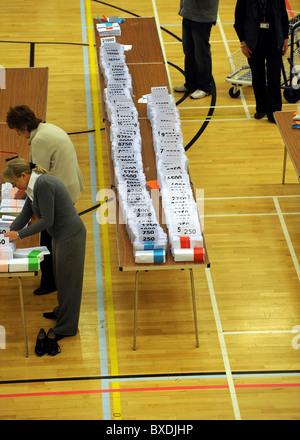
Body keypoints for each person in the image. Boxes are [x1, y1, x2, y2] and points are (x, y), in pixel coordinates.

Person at [3, 159, 86, 355]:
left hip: (70, 236)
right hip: (60, 235)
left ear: (24, 176)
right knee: (61, 278)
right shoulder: (33, 188)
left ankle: (67, 327)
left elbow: (48, 220)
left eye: (15, 183)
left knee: (69, 282)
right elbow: (24, 216)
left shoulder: (44, 184)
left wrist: (20, 235)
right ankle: (62, 312)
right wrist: (6, 233)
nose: (15, 187)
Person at [6, 105, 85, 295]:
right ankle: (52, 279)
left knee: (48, 235)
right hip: (69, 184)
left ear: (25, 125)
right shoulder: (47, 128)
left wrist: (24, 192)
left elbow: (38, 174)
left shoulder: (39, 140)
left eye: (17, 129)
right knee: (49, 235)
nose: (17, 133)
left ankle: (50, 282)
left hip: (61, 192)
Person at [234, 0, 289, 122]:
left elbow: (283, 16)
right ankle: (261, 108)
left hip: (274, 42)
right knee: (258, 77)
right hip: (254, 43)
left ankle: (274, 111)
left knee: (274, 77)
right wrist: (243, 43)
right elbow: (238, 22)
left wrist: (285, 39)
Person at [174, 0, 219, 99]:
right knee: (188, 51)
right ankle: (190, 84)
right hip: (188, 13)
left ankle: (204, 87)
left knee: (201, 54)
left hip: (202, 17)